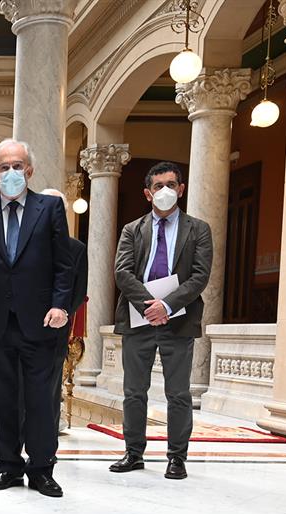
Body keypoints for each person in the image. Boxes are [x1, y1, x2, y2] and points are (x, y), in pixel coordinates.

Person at [0, 138, 74, 498]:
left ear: (30, 170)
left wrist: (60, 305)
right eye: (4, 166)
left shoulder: (50, 208)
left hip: (41, 322)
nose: (12, 172)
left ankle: (41, 469)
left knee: (41, 399)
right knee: (2, 398)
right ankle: (7, 466)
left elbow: (64, 266)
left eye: (18, 165)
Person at [109, 161, 212, 480]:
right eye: (158, 186)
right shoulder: (132, 230)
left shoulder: (198, 229)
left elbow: (199, 276)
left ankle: (177, 457)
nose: (165, 191)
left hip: (178, 320)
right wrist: (147, 305)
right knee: (134, 391)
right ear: (147, 193)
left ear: (181, 189)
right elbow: (122, 271)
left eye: (171, 185)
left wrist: (166, 305)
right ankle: (133, 452)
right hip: (138, 320)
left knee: (178, 393)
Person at [38, 188, 89, 433]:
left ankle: (48, 427)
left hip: (57, 325)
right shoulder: (22, 242)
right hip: (22, 323)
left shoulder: (76, 248)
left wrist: (61, 312)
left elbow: (79, 291)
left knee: (51, 379)